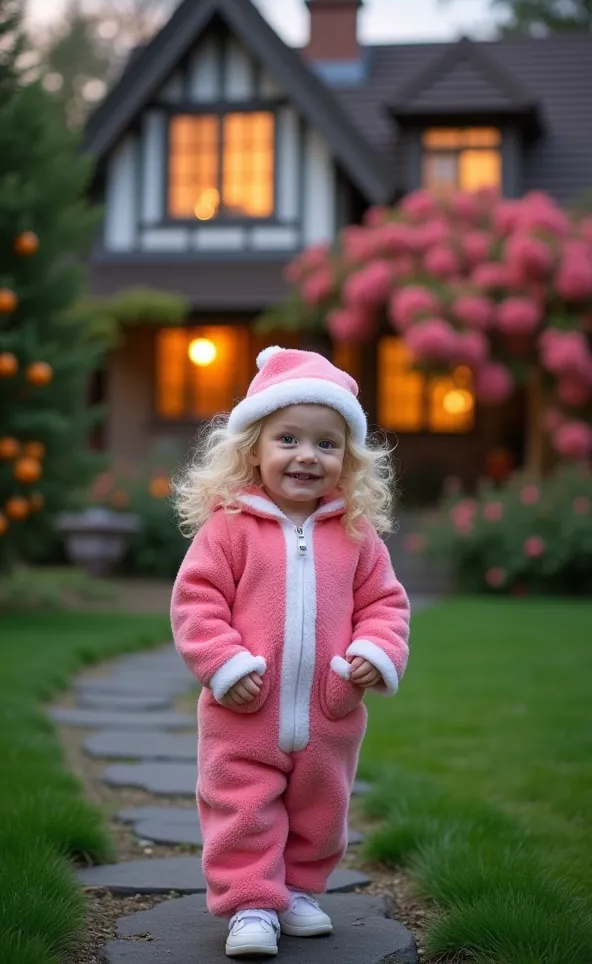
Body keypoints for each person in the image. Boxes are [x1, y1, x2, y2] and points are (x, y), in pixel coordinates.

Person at [171, 346, 410, 958]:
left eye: (327, 444)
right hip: (244, 711)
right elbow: (196, 604)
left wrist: (373, 653)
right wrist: (224, 664)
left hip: (330, 710)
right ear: (253, 447)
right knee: (242, 806)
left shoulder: (356, 537)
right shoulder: (227, 529)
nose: (307, 455)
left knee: (321, 810)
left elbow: (386, 604)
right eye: (288, 439)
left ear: (348, 460)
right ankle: (251, 902)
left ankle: (300, 891)